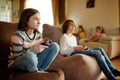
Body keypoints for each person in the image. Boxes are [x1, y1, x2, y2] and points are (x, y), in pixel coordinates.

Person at [8, 8, 59, 73]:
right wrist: (33, 50)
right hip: (17, 64)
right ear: (26, 20)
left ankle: (41, 70)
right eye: (35, 19)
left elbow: (38, 54)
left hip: (33, 63)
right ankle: (35, 72)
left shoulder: (38, 35)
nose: (39, 22)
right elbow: (17, 59)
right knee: (30, 56)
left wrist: (44, 46)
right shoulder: (17, 36)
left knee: (54, 46)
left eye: (39, 19)